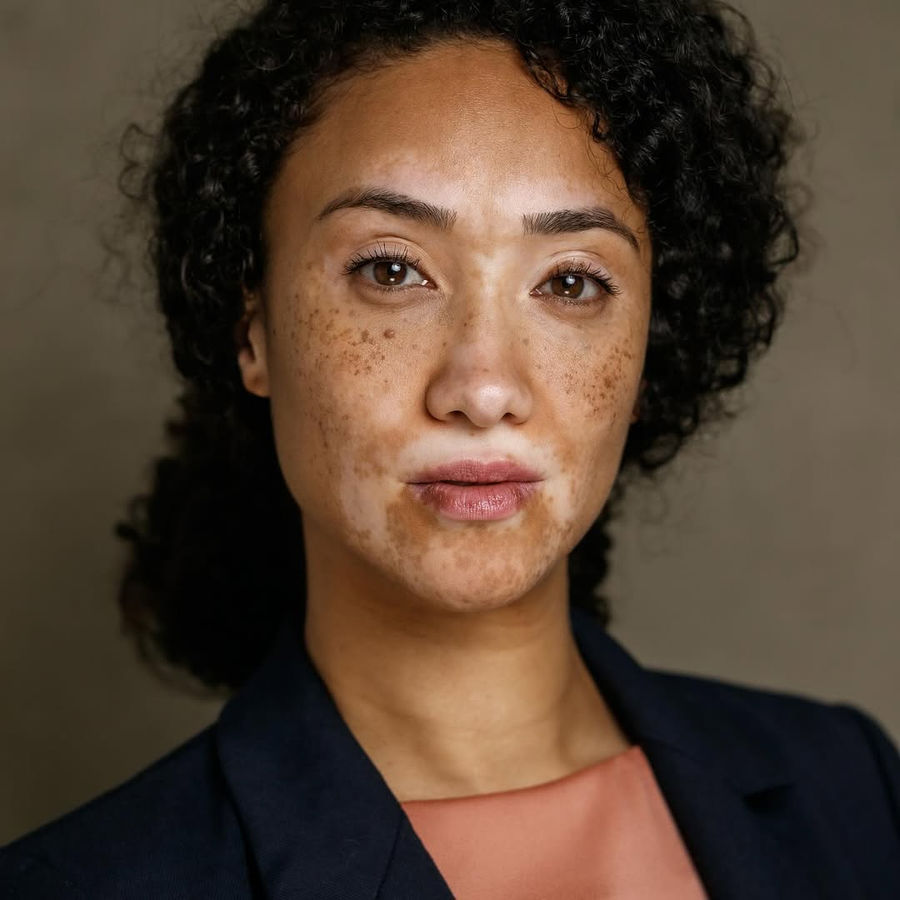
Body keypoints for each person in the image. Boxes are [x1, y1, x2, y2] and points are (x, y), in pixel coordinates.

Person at [2, 0, 898, 897]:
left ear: (649, 347)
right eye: (390, 270)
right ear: (254, 330)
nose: (484, 387)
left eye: (572, 282)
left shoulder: (855, 793)